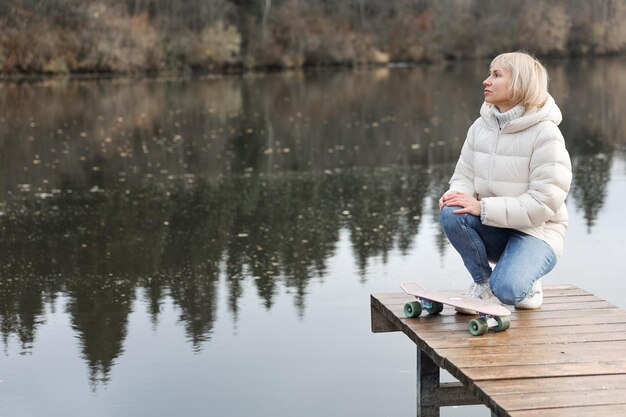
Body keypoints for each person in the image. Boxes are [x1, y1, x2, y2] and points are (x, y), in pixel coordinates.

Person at [439, 51, 572, 312]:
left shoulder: (546, 134)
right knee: (451, 211)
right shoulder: (480, 127)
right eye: (490, 73)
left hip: (537, 233)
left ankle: (528, 278)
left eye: (496, 75)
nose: (486, 81)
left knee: (509, 290)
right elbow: (464, 176)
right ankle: (483, 285)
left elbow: (543, 202)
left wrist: (483, 208)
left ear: (519, 83)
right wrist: (455, 194)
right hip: (497, 226)